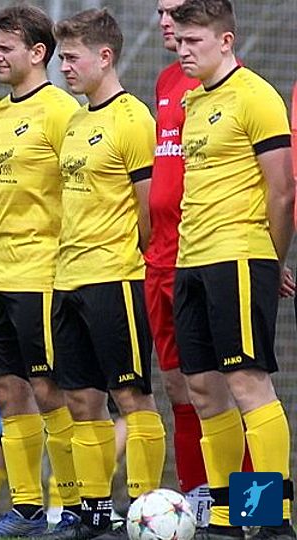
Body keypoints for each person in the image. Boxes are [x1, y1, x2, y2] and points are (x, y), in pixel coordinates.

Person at [170, 1, 295, 538]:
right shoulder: (194, 99)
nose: (182, 50)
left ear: (225, 41)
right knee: (202, 390)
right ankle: (225, 515)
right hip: (190, 261)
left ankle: (269, 517)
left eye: (193, 41)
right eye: (179, 41)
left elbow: (282, 190)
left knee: (247, 383)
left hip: (239, 256)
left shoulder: (256, 95)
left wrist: (272, 259)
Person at [42, 9, 167, 540]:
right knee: (80, 400)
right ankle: (94, 514)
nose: (64, 67)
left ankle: (142, 510)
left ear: (105, 56)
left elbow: (149, 208)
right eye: (62, 57)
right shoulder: (75, 121)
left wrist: (127, 256)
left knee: (132, 396)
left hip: (116, 277)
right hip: (67, 279)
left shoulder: (133, 118)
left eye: (72, 57)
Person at [0, 5, 84, 537]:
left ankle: (71, 506)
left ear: (38, 53)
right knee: (7, 393)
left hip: (40, 276)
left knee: (49, 391)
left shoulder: (62, 111)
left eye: (6, 48)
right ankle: (25, 509)